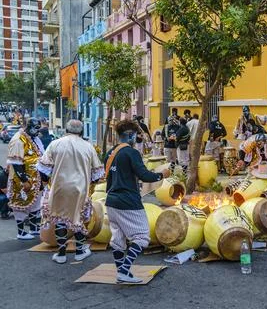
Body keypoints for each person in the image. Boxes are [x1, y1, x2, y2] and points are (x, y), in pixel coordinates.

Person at [104, 120, 170, 283]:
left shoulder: (110, 153)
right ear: (130, 135)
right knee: (142, 237)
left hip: (111, 201)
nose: (137, 138)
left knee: (118, 239)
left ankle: (121, 272)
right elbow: (145, 175)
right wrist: (162, 174)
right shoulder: (131, 153)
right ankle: (124, 270)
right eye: (136, 134)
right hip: (128, 201)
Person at [37, 120, 105, 264]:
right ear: (81, 132)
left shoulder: (55, 144)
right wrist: (89, 184)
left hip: (59, 188)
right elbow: (98, 174)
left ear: (66, 130)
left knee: (60, 219)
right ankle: (80, 251)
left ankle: (61, 254)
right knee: (78, 219)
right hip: (80, 190)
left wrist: (46, 183)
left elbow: (44, 169)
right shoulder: (88, 147)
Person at [6, 118, 44, 240]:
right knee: (20, 205)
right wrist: (24, 180)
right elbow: (16, 163)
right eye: (36, 128)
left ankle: (33, 228)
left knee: (35, 204)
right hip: (21, 180)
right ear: (29, 127)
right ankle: (21, 232)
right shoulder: (18, 140)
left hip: (35, 179)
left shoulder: (34, 138)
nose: (38, 132)